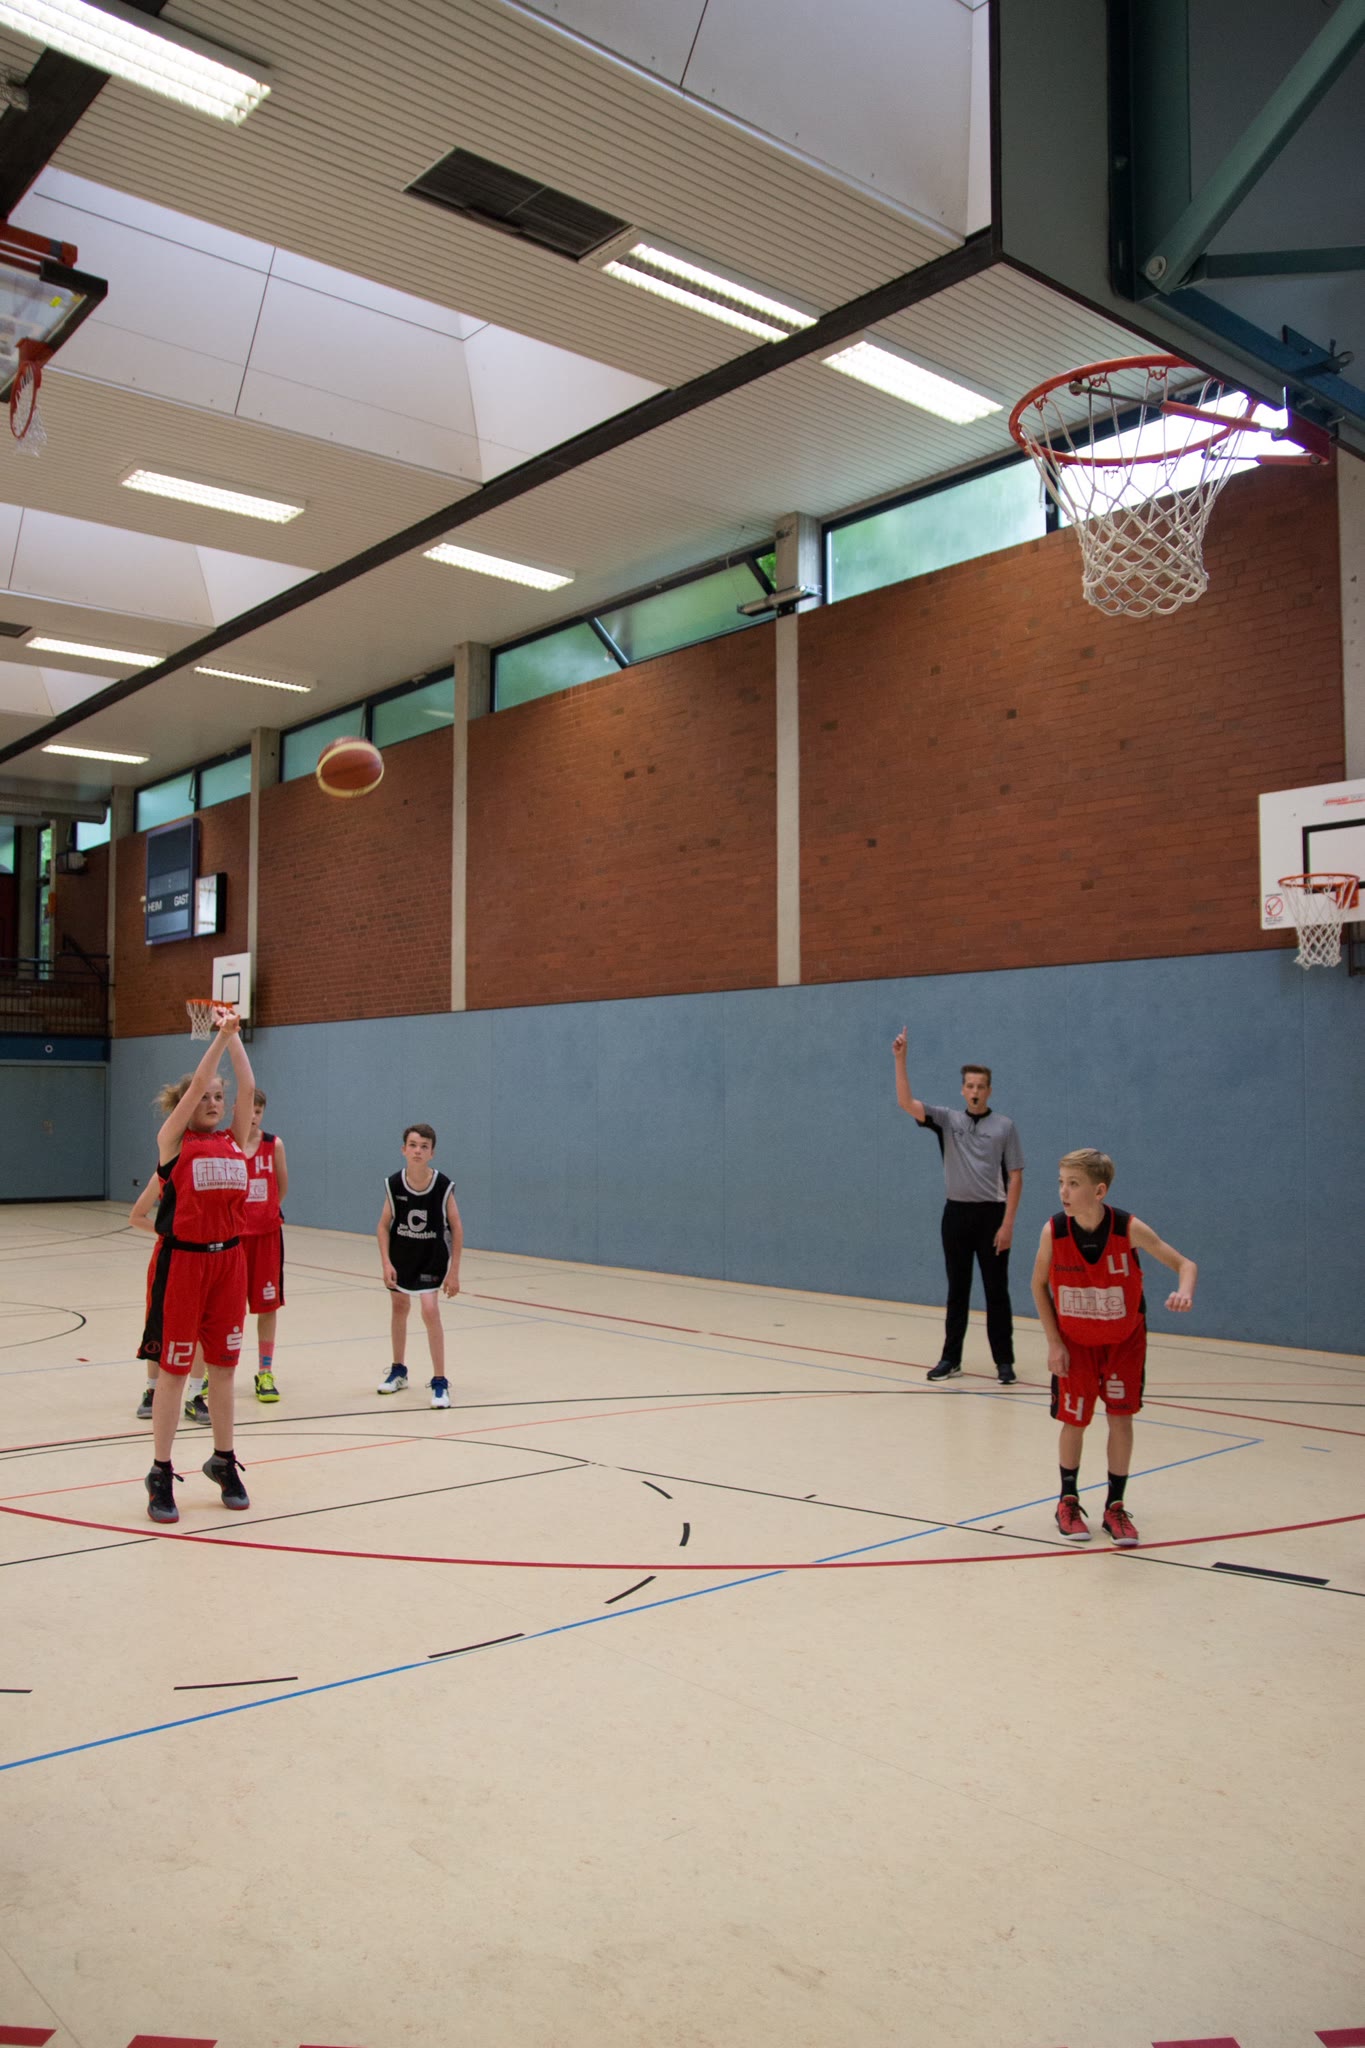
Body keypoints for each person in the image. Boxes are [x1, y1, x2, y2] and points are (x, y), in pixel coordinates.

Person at [1030, 1148, 1197, 1545]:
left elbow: (1185, 1265)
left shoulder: (1129, 1229)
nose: (1064, 1192)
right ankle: (1067, 1501)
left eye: (1074, 1184)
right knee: (1075, 1420)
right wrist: (1054, 1343)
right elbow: (1038, 1284)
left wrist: (1185, 1292)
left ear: (1099, 1190)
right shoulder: (1054, 1231)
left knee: (1121, 1419)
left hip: (1124, 1342)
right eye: (1061, 1183)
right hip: (1076, 1343)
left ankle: (1115, 1507)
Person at [144, 1012, 255, 1524]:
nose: (213, 1102)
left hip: (229, 1262)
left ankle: (223, 1460)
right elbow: (192, 1093)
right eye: (204, 1096)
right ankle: (160, 1472)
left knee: (224, 1368)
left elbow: (247, 1087)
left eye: (218, 1096)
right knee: (173, 1370)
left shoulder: (234, 1139)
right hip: (184, 1264)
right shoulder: (175, 1141)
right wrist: (219, 1038)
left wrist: (235, 1039)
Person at [892, 1031, 1024, 1384]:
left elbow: (1015, 1176)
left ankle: (1004, 1362)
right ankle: (951, 1359)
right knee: (957, 1290)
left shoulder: (1005, 1127)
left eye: (981, 1086)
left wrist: (1008, 1224)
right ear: (963, 1090)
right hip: (956, 1216)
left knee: (996, 1291)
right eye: (970, 1085)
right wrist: (900, 1060)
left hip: (992, 1216)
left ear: (989, 1090)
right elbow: (906, 1102)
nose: (975, 1091)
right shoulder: (948, 1120)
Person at [375, 1122, 462, 1408]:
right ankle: (398, 1370)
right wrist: (386, 1262)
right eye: (413, 1145)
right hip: (402, 1256)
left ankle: (440, 1381)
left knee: (429, 1309)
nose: (417, 1151)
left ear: (432, 1153)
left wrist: (454, 1272)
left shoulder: (442, 1186)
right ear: (404, 1149)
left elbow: (457, 1228)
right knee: (399, 1308)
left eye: (424, 1147)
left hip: (431, 1257)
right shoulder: (394, 1184)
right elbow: (383, 1226)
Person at [241, 1088, 288, 1403]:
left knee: (267, 1306)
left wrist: (264, 1212)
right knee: (222, 1308)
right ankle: (209, 1371)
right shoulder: (225, 1145)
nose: (254, 1117)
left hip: (267, 1237)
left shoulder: (274, 1145)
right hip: (232, 1238)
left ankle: (265, 1371)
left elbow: (281, 1186)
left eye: (258, 1111)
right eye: (249, 1110)